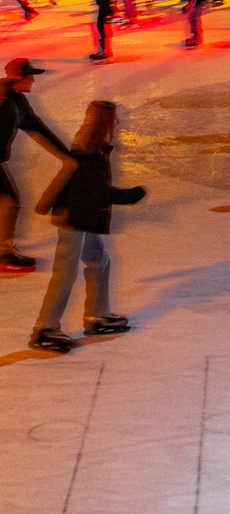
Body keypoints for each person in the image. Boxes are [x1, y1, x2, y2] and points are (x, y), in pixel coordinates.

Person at [29, 101, 145, 354]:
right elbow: (97, 193)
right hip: (73, 221)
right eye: (113, 119)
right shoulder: (89, 152)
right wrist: (131, 195)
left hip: (86, 218)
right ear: (105, 122)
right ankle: (45, 329)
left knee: (100, 261)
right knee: (65, 274)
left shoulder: (96, 147)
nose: (117, 123)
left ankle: (97, 316)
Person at [0, 58, 74, 269]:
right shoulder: (3, 98)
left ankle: (4, 251)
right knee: (10, 199)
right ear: (19, 77)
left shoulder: (18, 103)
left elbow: (38, 129)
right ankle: (4, 253)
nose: (33, 80)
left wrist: (66, 156)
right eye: (30, 76)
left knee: (10, 199)